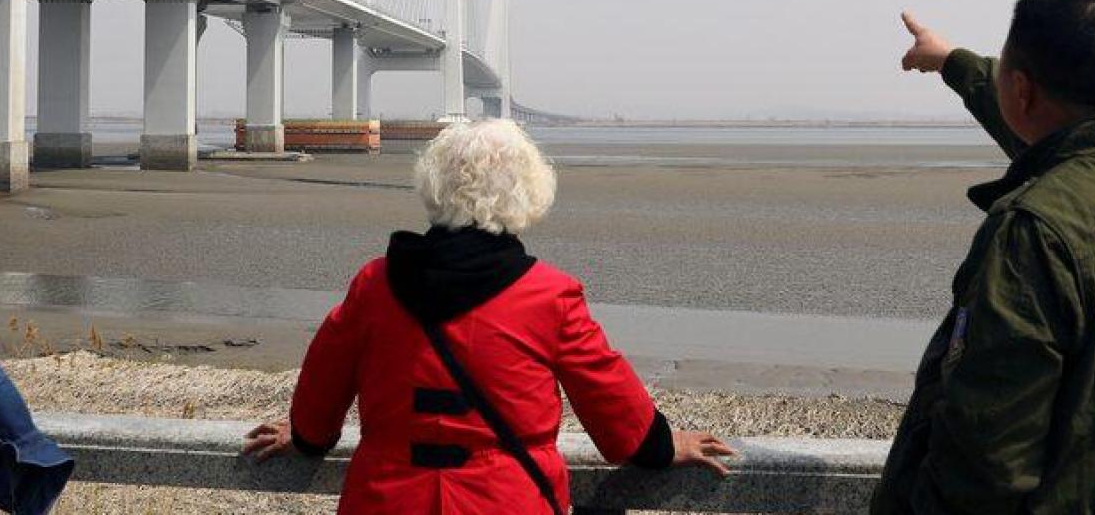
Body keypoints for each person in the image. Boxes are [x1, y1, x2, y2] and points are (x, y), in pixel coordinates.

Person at [242, 119, 734, 515]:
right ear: (528, 192)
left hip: (386, 499)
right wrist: (665, 445)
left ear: (432, 186)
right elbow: (617, 418)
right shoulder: (549, 294)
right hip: (503, 500)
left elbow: (318, 403)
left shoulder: (374, 284)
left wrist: (303, 439)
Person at [875, 0, 1095, 514]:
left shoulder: (1033, 236)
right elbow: (1054, 137)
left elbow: (984, 463)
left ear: (1022, 89)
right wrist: (950, 60)